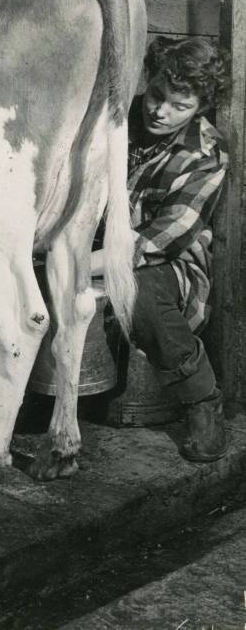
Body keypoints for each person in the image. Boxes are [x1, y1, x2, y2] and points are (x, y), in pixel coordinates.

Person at [91, 37, 230, 463]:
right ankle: (49, 394)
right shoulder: (114, 118)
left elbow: (164, 237)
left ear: (201, 109)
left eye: (178, 106)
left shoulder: (205, 154)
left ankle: (202, 400)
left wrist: (84, 264)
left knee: (142, 293)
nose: (160, 110)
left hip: (167, 265)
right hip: (96, 246)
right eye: (156, 95)